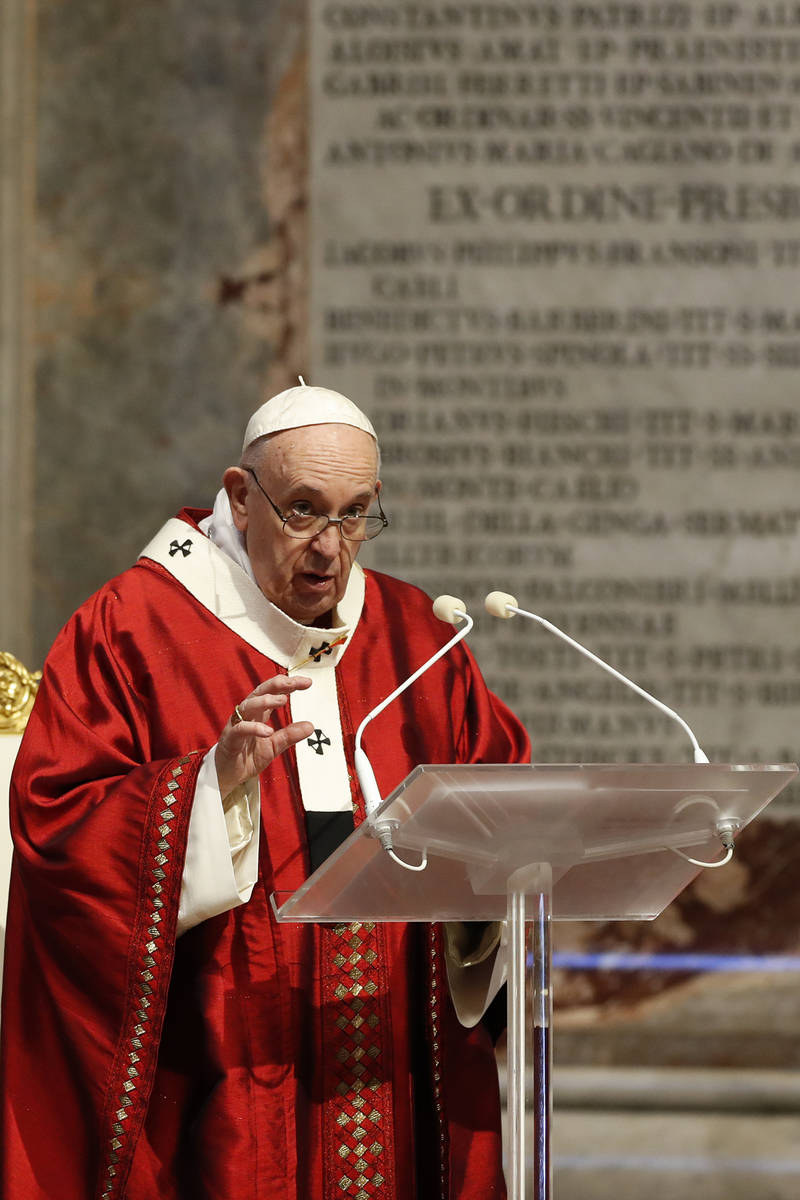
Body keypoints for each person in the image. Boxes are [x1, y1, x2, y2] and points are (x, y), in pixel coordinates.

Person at [0, 384, 529, 1200]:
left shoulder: (419, 635)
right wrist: (210, 788)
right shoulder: (131, 628)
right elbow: (56, 829)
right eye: (304, 511)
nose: (330, 548)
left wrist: (494, 862)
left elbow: (500, 802)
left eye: (355, 514)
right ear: (241, 498)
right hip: (224, 1074)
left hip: (389, 1061)